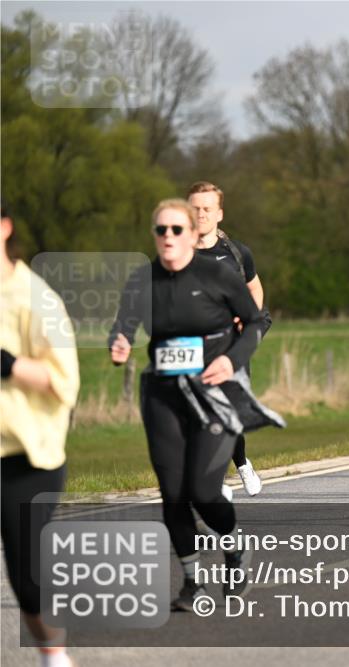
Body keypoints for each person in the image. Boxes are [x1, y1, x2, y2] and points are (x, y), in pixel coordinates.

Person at [108, 199, 282, 610]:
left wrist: (230, 360)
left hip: (213, 394)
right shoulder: (142, 279)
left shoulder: (218, 274)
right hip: (163, 395)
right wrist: (119, 342)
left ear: (190, 233)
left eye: (176, 229)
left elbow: (257, 321)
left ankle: (235, 548)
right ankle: (191, 583)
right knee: (172, 493)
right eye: (160, 231)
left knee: (203, 490)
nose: (168, 237)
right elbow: (124, 323)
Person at [1, 200, 80, 667]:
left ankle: (54, 655)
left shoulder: (37, 298)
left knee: (27, 577)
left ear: (6, 228)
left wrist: (9, 365)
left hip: (27, 456)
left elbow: (64, 382)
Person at [189, 181, 269, 497]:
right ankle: (226, 471)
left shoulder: (236, 253)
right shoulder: (176, 251)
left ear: (219, 213)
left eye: (207, 208)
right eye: (195, 208)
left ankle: (235, 466)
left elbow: (255, 289)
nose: (201, 214)